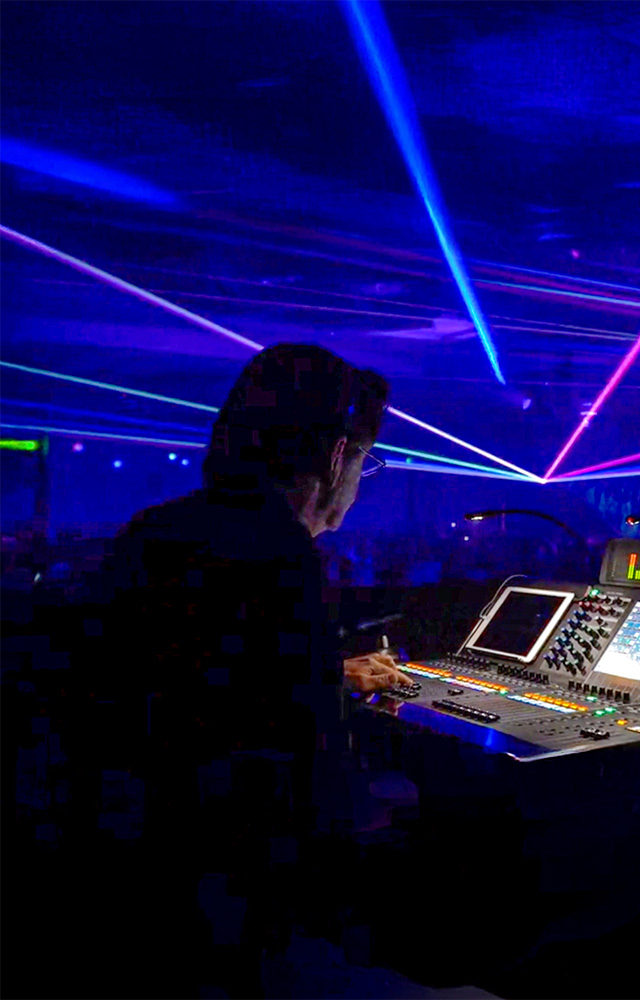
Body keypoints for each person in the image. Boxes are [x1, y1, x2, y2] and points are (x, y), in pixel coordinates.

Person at [77, 344, 411, 997]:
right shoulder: (282, 557)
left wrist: (329, 673)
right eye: (363, 462)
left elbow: (201, 684)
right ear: (337, 456)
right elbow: (322, 801)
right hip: (234, 925)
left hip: (130, 892)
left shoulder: (153, 531)